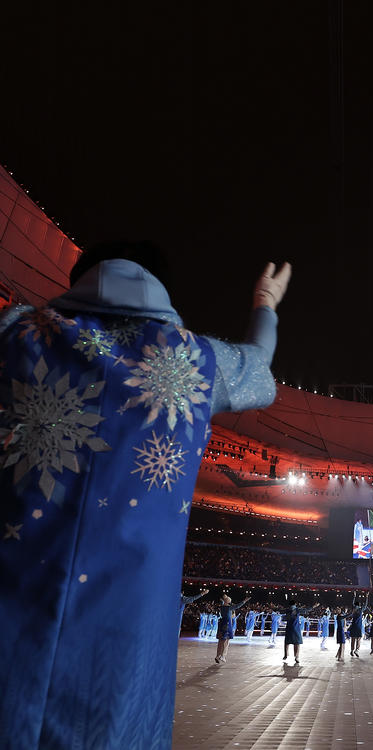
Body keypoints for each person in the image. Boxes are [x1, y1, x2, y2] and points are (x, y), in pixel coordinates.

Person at [0, 242, 290, 749]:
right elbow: (258, 367)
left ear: (79, 279)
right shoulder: (199, 360)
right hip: (123, 652)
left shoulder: (13, 334)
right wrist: (264, 306)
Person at [215, 594, 251, 663]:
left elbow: (224, 602)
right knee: (226, 641)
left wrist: (224, 598)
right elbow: (238, 606)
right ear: (229, 602)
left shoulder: (222, 607)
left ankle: (218, 655)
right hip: (227, 625)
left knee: (220, 641)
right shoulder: (229, 608)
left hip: (222, 624)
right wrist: (244, 601)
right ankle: (223, 656)